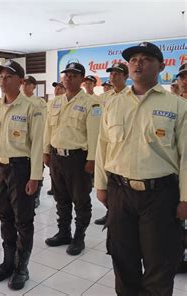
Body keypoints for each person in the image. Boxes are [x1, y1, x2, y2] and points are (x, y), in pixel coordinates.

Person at [95, 41, 187, 295]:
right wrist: (100, 186)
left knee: (159, 265)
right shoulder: (113, 104)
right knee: (123, 261)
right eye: (133, 59)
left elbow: (186, 156)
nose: (138, 63)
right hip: (120, 192)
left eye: (146, 58)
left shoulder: (177, 106)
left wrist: (186, 198)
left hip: (160, 195)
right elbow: (102, 147)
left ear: (162, 65)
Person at [0, 60, 44, 290]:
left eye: (8, 76)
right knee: (5, 217)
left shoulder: (32, 107)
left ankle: (22, 268)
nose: (3, 79)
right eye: (1, 76)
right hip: (0, 168)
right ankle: (8, 262)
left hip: (21, 170)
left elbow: (38, 144)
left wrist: (35, 177)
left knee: (23, 220)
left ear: (20, 81)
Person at [43, 62, 100, 256]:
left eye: (74, 75)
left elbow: (95, 134)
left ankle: (79, 236)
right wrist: (45, 151)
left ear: (82, 79)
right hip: (56, 157)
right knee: (61, 198)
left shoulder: (92, 103)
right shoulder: (54, 102)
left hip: (78, 159)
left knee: (81, 200)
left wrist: (91, 159)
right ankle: (64, 232)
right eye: (66, 74)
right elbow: (48, 129)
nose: (68, 77)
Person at [94, 63, 129, 226]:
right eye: (111, 74)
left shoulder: (130, 97)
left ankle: (113, 213)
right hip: (107, 145)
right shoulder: (105, 98)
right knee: (109, 187)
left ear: (126, 77)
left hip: (121, 150)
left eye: (117, 74)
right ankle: (110, 212)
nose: (113, 76)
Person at [22, 75, 47, 208]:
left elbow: (45, 122)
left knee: (38, 168)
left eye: (28, 84)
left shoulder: (40, 102)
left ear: (34, 87)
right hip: (22, 143)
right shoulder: (18, 101)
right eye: (24, 84)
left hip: (38, 140)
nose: (25, 86)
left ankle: (36, 195)